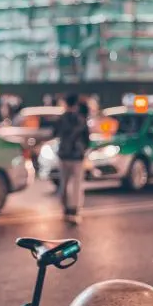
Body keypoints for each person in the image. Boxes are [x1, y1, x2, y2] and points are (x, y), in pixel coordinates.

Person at [54, 94, 90, 225]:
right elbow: (87, 138)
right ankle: (74, 210)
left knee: (64, 183)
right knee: (77, 184)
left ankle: (65, 209)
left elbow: (55, 133)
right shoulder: (81, 119)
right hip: (77, 156)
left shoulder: (61, 118)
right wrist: (83, 149)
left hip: (64, 154)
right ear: (75, 104)